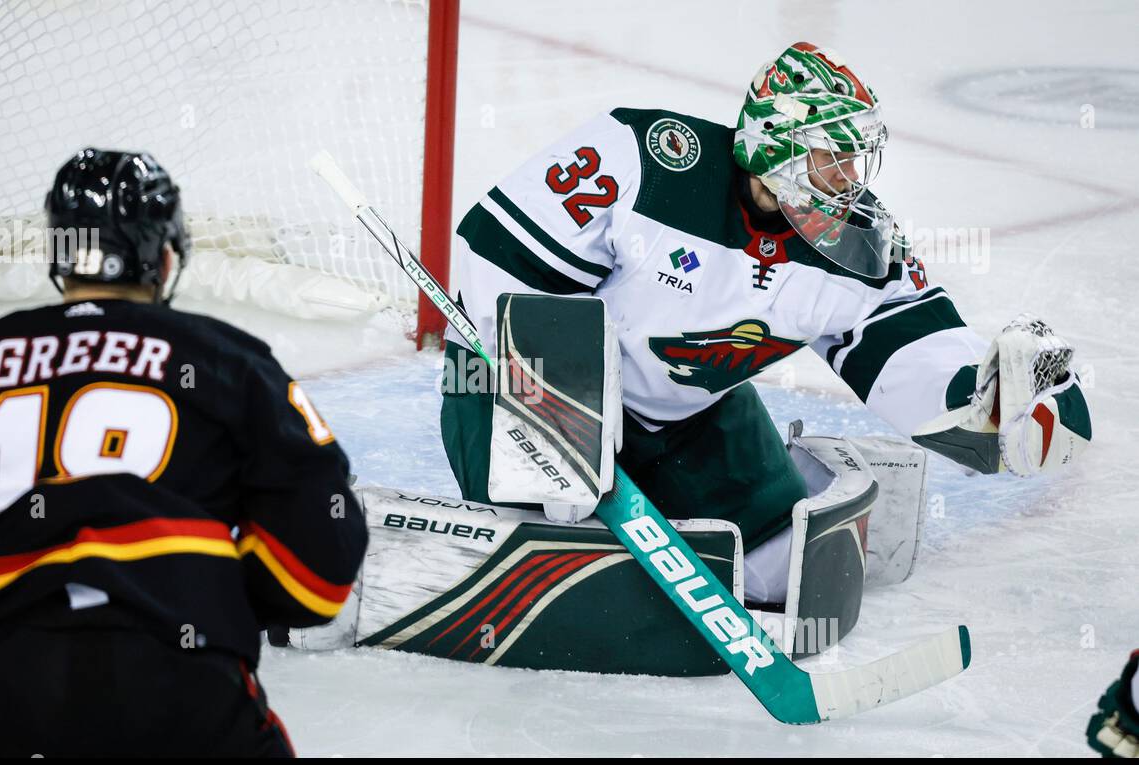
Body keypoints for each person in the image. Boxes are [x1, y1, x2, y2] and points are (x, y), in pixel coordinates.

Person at [441, 41, 1092, 603]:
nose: (848, 180)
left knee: (788, 571)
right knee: (559, 552)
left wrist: (993, 408)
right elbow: (493, 255)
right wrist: (563, 415)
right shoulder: (646, 160)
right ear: (773, 149)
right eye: (829, 158)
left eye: (854, 159)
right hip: (514, 385)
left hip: (683, 416)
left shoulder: (859, 241)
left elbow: (906, 345)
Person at [0, 148, 366, 757]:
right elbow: (321, 553)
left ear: (59, 255)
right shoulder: (229, 360)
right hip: (185, 678)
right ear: (168, 257)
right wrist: (214, 605)